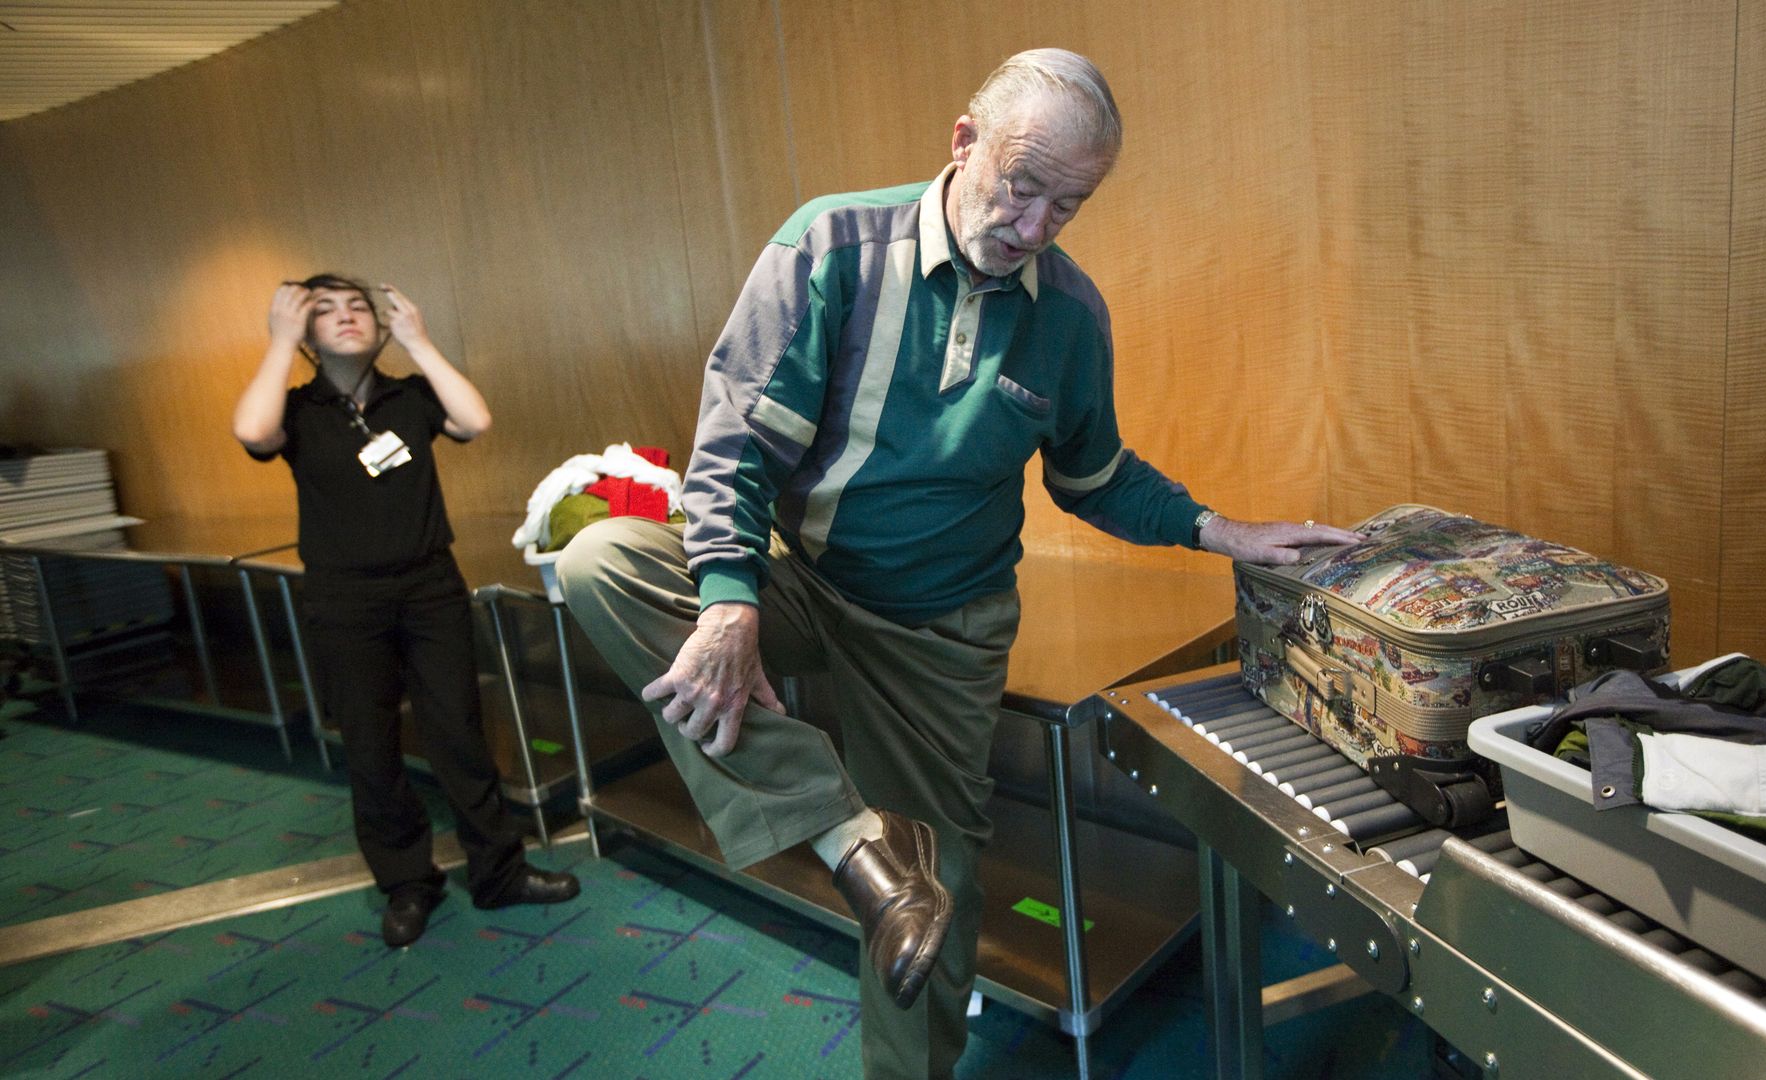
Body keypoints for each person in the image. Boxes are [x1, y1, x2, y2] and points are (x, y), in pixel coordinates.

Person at [557, 49, 1362, 1077]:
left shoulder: (1069, 313)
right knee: (602, 562)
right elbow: (737, 447)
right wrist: (726, 600)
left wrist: (1223, 531)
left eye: (1065, 208)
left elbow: (1095, 476)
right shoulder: (832, 245)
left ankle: (902, 976)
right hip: (805, 579)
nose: (1031, 226)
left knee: (943, 893)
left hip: (942, 628)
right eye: (1021, 187)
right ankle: (854, 845)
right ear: (963, 141)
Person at [233, 273, 579, 948]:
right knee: (370, 743)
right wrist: (280, 340)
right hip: (344, 595)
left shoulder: (411, 397)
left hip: (429, 586)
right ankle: (407, 882)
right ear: (305, 333)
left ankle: (499, 873)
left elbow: (475, 421)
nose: (346, 317)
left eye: (358, 306)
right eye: (324, 311)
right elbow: (252, 430)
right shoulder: (297, 409)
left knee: (460, 732)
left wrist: (418, 342)